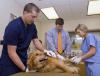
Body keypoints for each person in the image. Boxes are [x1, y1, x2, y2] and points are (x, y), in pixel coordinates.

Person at [0, 3, 44, 76]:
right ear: (25, 12)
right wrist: (24, 69)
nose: (34, 20)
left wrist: (45, 51)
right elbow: (12, 53)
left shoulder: (32, 26)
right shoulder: (13, 27)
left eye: (35, 17)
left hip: (22, 61)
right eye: (33, 17)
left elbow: (36, 41)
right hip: (9, 65)